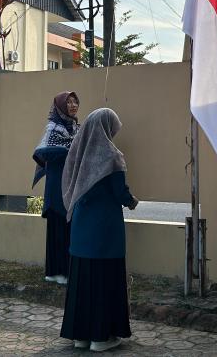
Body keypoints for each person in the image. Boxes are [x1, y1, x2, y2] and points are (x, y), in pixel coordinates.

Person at [60, 108, 138, 353]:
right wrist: (131, 200)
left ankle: (81, 336)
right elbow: (119, 192)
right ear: (106, 128)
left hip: (82, 229)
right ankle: (101, 338)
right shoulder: (112, 157)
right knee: (105, 279)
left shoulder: (79, 153)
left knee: (83, 280)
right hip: (105, 231)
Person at [32, 91, 80, 285]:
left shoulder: (76, 126)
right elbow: (45, 152)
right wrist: (70, 149)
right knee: (57, 228)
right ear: (60, 106)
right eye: (68, 102)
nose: (73, 105)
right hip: (56, 187)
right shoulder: (53, 127)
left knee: (68, 229)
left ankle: (65, 272)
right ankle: (55, 272)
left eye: (75, 101)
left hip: (69, 184)